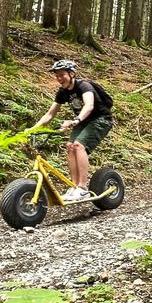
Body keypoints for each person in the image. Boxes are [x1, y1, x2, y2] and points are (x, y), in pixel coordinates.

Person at [32, 60, 114, 201]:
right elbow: (50, 114)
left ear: (72, 74)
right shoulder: (63, 92)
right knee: (70, 146)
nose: (59, 78)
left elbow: (89, 105)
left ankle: (82, 188)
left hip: (101, 119)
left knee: (78, 145)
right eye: (57, 75)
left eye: (62, 74)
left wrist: (76, 120)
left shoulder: (84, 86)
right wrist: (33, 129)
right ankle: (74, 186)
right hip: (83, 121)